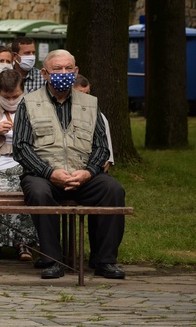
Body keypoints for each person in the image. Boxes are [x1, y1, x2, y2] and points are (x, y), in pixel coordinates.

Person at [13, 49, 126, 280]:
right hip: (43, 174)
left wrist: (88, 172)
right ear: (45, 73)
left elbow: (101, 147)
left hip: (83, 174)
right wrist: (49, 172)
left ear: (76, 72)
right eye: (57, 69)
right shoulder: (29, 103)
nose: (63, 73)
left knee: (112, 190)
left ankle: (104, 260)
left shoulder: (91, 103)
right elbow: (21, 147)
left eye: (68, 69)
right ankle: (52, 260)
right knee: (38, 192)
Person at [0, 69, 37, 261]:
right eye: (7, 97)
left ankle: (24, 243)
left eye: (16, 96)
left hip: (25, 162)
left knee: (26, 187)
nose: (11, 100)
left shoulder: (33, 107)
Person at [74, 74, 114, 171]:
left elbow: (107, 161)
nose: (86, 98)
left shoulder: (100, 117)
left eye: (88, 93)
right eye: (81, 94)